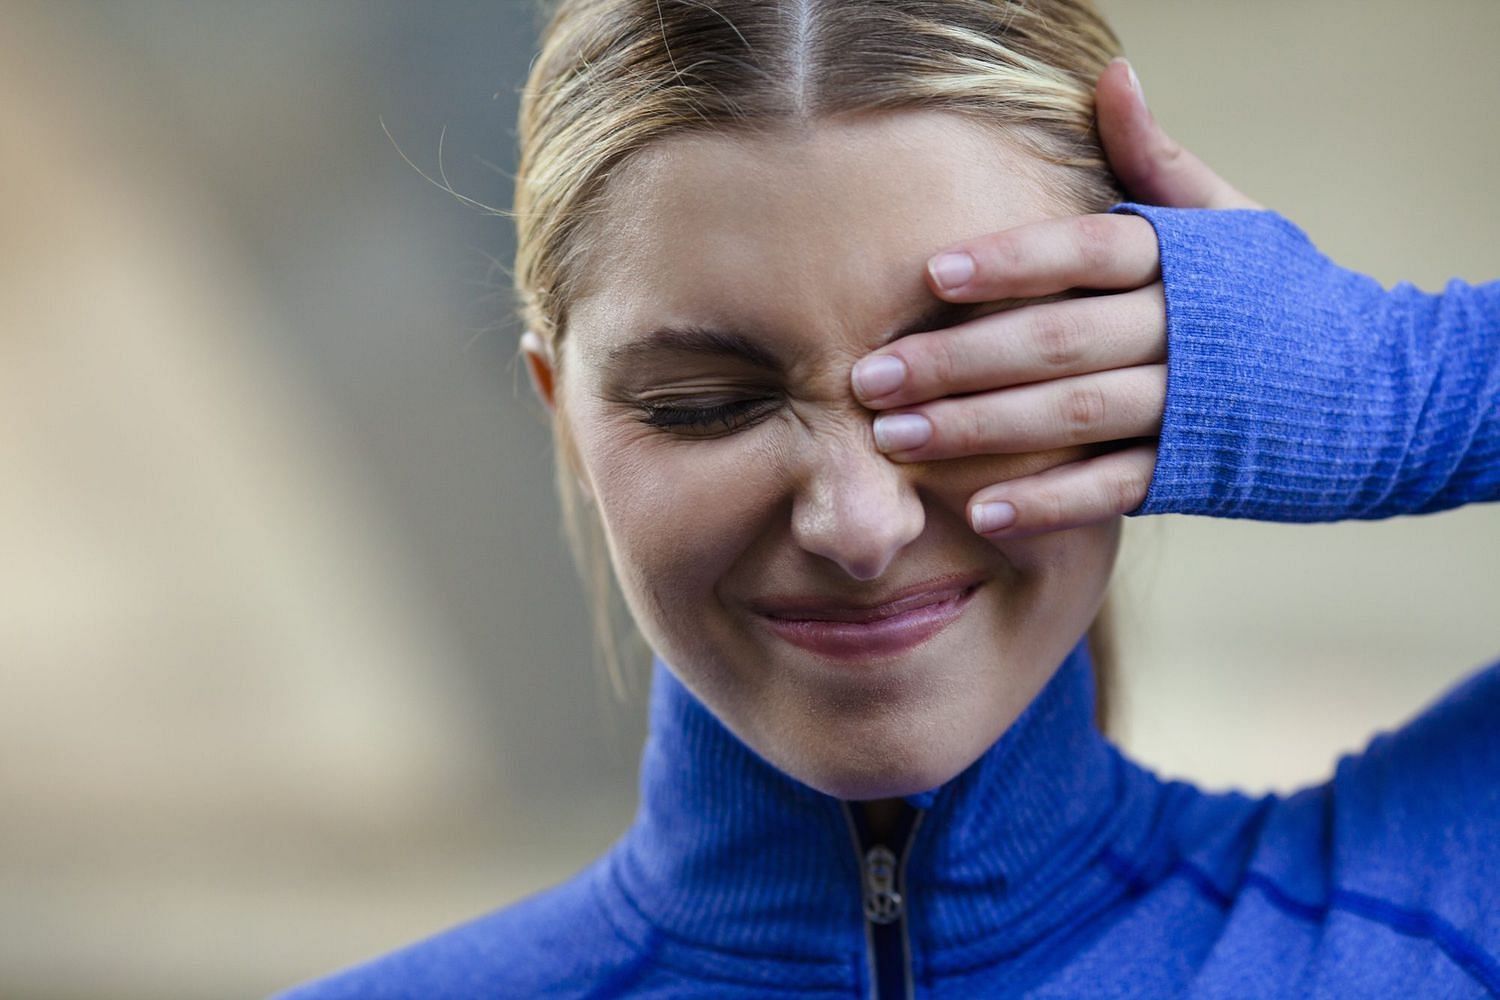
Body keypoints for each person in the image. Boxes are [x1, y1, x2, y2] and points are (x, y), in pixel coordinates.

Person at [276, 1, 1499, 996]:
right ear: (562, 413)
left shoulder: (1437, 920)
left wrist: (1411, 390)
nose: (860, 528)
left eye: (988, 378)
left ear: (1155, 377)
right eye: (707, 401)